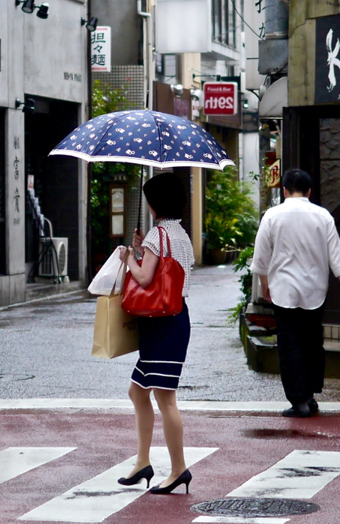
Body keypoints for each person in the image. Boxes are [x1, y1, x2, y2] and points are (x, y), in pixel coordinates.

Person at [251, 167, 340, 418]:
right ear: (309, 191)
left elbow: (261, 258)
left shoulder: (272, 216)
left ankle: (299, 400)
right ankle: (309, 394)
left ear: (284, 190)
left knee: (289, 345)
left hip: (283, 290)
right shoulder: (323, 216)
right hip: (314, 289)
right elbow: (336, 255)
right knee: (312, 342)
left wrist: (265, 285)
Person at [116, 173, 195, 495]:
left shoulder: (157, 235)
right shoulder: (179, 234)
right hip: (174, 318)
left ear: (154, 203)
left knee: (166, 399)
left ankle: (178, 470)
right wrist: (140, 249)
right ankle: (143, 461)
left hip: (161, 322)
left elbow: (145, 279)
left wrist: (128, 257)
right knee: (138, 392)